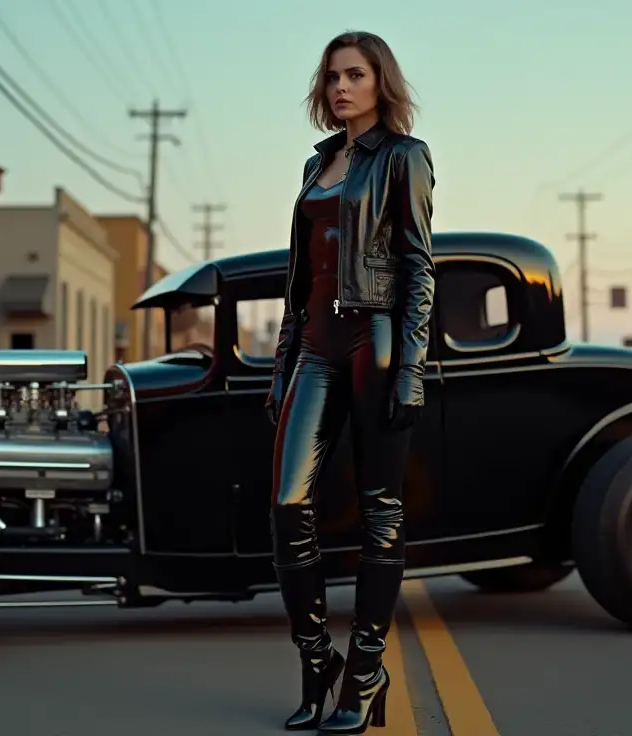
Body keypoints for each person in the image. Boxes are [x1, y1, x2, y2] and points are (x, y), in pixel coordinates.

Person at [264, 30, 435, 735]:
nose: (340, 87)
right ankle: (317, 663)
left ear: (379, 83)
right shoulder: (317, 165)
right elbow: (297, 281)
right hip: (314, 346)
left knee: (379, 512)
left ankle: (365, 670)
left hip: (376, 341)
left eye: (355, 75)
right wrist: (282, 365)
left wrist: (411, 372)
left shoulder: (403, 158)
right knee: (286, 500)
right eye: (332, 75)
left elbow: (420, 267)